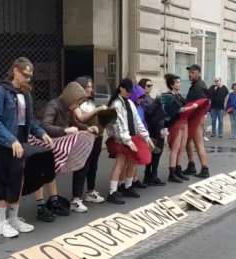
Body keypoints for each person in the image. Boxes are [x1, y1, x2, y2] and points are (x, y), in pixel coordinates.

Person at [0, 57, 53, 237]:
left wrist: (42, 133)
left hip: (19, 144)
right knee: (3, 181)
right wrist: (11, 140)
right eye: (25, 75)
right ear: (15, 70)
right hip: (2, 144)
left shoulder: (25, 94)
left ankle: (13, 218)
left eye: (30, 76)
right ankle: (0, 222)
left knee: (18, 180)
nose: (28, 78)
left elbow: (29, 122)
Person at [40, 81, 96, 213]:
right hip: (46, 141)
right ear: (70, 98)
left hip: (57, 141)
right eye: (76, 102)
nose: (77, 106)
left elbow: (74, 122)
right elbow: (45, 126)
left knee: (50, 172)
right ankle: (44, 203)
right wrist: (64, 130)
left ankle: (53, 199)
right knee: (47, 172)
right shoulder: (53, 105)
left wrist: (88, 128)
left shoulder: (67, 107)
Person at [106, 78, 154, 205]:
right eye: (127, 91)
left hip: (132, 137)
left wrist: (146, 137)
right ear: (121, 88)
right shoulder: (116, 104)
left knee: (132, 162)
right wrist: (127, 141)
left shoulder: (130, 103)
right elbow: (118, 125)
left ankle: (127, 186)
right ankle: (112, 192)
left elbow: (137, 121)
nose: (129, 93)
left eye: (130, 91)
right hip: (121, 139)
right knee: (120, 163)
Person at [73, 76, 108, 204]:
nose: (90, 89)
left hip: (97, 137)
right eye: (87, 86)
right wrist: (98, 109)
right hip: (84, 138)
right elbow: (81, 118)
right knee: (82, 166)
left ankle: (90, 191)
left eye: (91, 86)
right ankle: (76, 198)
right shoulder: (75, 103)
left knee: (93, 165)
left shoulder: (91, 101)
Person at [161, 74, 198, 183]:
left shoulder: (178, 95)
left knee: (181, 148)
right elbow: (169, 112)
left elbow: (183, 107)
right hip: (176, 124)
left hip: (184, 123)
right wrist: (183, 109)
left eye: (179, 82)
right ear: (172, 85)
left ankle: (178, 169)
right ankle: (172, 173)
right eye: (177, 82)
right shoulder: (167, 96)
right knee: (175, 149)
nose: (179, 84)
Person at [183, 64, 211, 178]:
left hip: (196, 119)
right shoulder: (195, 85)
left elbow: (204, 103)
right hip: (193, 119)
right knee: (188, 142)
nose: (190, 74)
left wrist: (202, 117)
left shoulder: (199, 86)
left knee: (198, 143)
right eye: (189, 72)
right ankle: (191, 165)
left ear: (198, 73)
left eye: (193, 72)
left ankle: (205, 169)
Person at [138, 79, 166, 186]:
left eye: (151, 85)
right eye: (148, 85)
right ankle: (150, 175)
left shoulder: (148, 97)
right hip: (154, 128)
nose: (150, 87)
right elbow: (148, 111)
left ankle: (152, 175)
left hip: (160, 126)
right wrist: (157, 101)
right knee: (155, 151)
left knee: (158, 152)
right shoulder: (143, 98)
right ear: (142, 86)